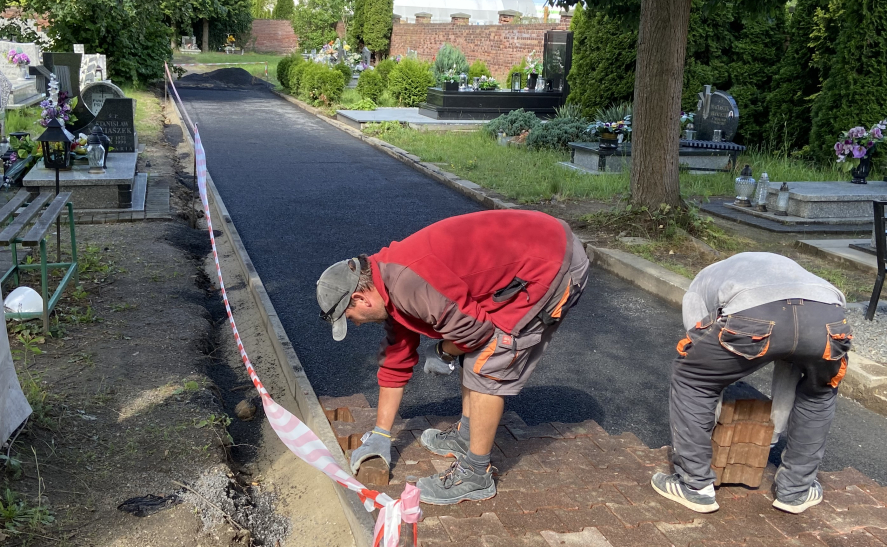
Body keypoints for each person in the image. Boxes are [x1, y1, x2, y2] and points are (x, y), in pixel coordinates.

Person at [316, 210, 589, 505]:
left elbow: (476, 332)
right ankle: (467, 436)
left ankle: (476, 475)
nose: (357, 324)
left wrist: (442, 351)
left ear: (360, 298)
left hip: (551, 264)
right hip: (531, 253)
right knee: (473, 350)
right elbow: (397, 357)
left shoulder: (409, 284)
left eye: (351, 317)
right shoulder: (387, 280)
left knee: (488, 361)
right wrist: (381, 434)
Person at [652, 252, 850, 515]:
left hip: (755, 314)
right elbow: (789, 358)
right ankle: (796, 491)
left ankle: (695, 486)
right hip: (827, 319)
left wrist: (714, 404)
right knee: (819, 391)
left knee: (693, 378)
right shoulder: (784, 267)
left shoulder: (701, 284)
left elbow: (700, 350)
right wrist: (773, 431)